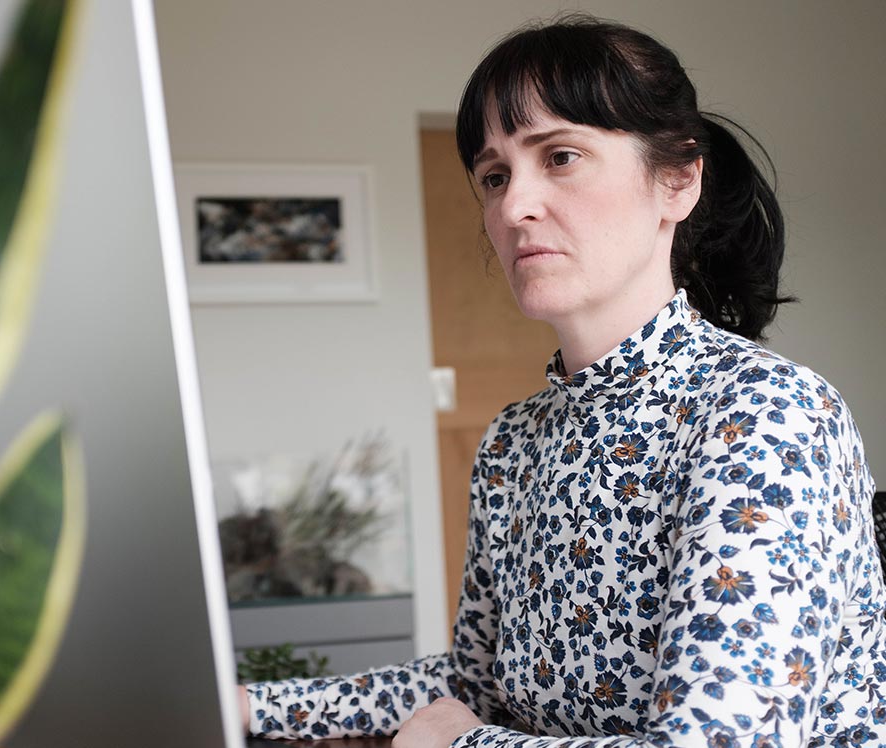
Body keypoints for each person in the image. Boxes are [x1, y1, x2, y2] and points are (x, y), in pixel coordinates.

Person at [239, 15, 883, 747]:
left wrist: (461, 745)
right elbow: (474, 685)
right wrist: (249, 709)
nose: (514, 207)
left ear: (677, 181)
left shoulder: (766, 415)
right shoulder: (514, 441)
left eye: (563, 157)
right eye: (494, 176)